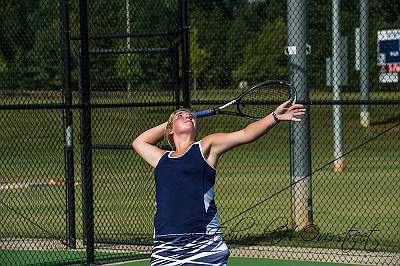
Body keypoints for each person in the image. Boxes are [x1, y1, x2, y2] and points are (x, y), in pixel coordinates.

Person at [132, 99, 305, 265]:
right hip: (165, 247)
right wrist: (170, 122)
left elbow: (246, 134)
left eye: (191, 116)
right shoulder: (161, 158)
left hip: (203, 245)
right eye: (181, 116)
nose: (188, 117)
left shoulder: (206, 146)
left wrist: (274, 116)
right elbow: (138, 142)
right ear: (170, 129)